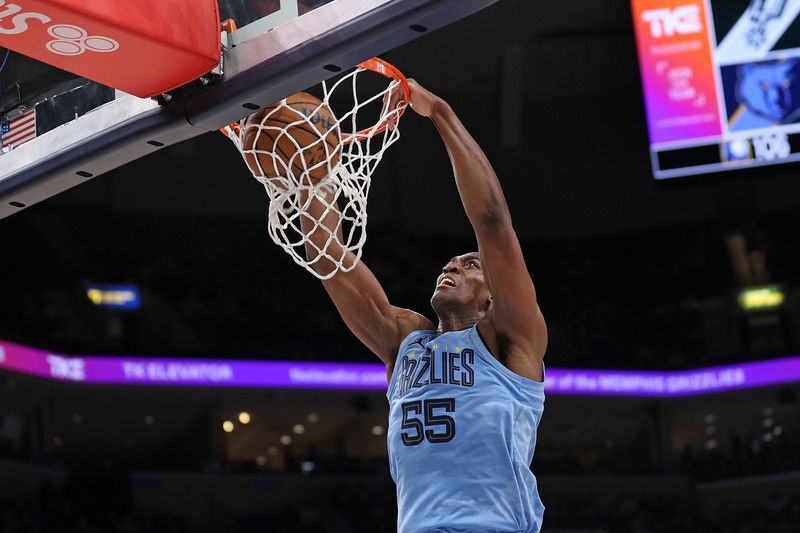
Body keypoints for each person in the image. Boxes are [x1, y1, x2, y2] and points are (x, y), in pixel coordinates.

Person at [299, 79, 548, 532]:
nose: (451, 266)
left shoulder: (509, 338)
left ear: (493, 294)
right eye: (449, 263)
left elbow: (492, 224)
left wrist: (441, 114)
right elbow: (328, 258)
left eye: (469, 264)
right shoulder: (405, 341)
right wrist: (307, 173)